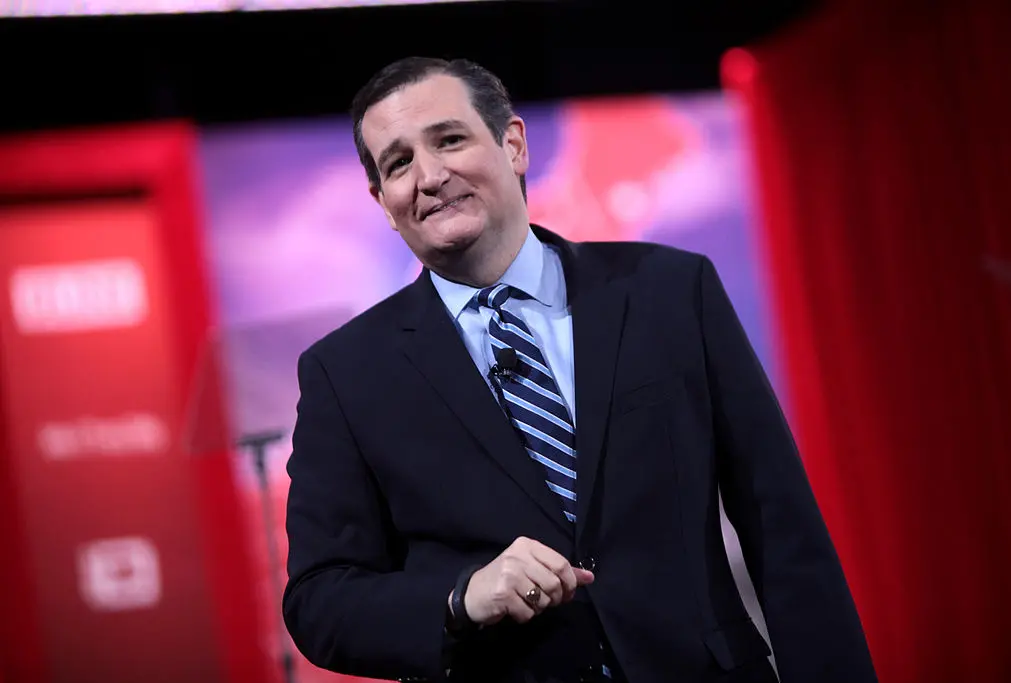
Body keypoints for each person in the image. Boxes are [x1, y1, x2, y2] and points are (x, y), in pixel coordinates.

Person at [282, 57, 877, 683]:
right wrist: (460, 598)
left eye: (449, 139)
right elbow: (320, 602)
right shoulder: (345, 373)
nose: (429, 176)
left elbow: (780, 524)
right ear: (383, 200)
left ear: (512, 144)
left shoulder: (670, 292)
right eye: (398, 163)